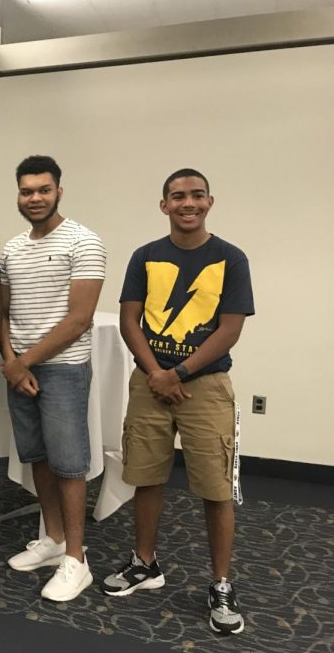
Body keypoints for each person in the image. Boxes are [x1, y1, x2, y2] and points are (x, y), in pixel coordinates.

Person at [102, 168, 253, 636]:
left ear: (210, 202)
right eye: (177, 196)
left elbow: (230, 328)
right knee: (146, 476)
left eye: (196, 195)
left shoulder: (230, 258)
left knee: (215, 487)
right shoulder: (145, 256)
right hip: (150, 381)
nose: (187, 203)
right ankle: (145, 563)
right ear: (163, 205)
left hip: (205, 388)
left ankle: (221, 583)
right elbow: (130, 321)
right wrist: (155, 373)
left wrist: (179, 374)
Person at [0, 155, 106, 602]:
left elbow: (79, 320)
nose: (35, 197)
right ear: (19, 195)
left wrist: (23, 363)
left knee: (69, 464)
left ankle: (76, 561)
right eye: (27, 190)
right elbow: (0, 313)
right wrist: (10, 360)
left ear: (59, 190)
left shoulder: (84, 241)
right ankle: (54, 540)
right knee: (38, 457)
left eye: (44, 189)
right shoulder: (11, 248)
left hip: (62, 369)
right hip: (19, 368)